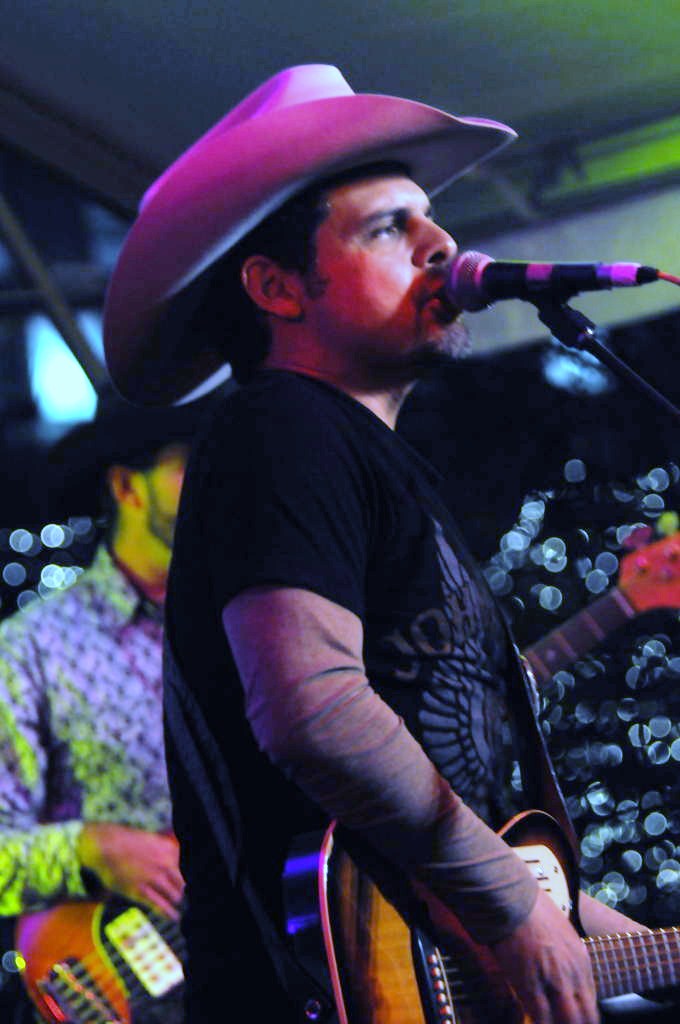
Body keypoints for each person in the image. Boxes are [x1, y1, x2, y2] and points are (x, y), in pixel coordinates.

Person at [103, 65, 671, 1023]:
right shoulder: (281, 428)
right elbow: (316, 713)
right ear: (277, 287)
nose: (441, 244)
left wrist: (620, 946)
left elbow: (489, 841)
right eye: (387, 228)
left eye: (429, 218)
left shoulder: (371, 461)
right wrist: (510, 907)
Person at [0, 396, 216, 1021]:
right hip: (116, 978)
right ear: (127, 487)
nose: (214, 481)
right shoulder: (32, 647)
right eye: (189, 465)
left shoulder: (249, 622)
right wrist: (92, 849)